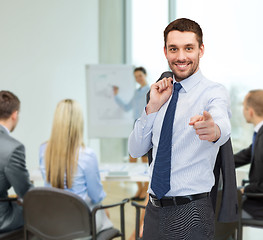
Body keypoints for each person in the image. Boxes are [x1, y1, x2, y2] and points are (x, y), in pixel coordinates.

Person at [128, 18, 232, 239]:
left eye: (189, 48)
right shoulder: (159, 94)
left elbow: (222, 121)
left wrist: (214, 130)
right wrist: (152, 106)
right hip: (154, 209)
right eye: (174, 49)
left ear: (200, 50)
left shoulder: (213, 92)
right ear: (165, 51)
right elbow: (135, 149)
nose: (181, 57)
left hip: (192, 211)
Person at [39, 99, 113, 234]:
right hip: (81, 224)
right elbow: (96, 196)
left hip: (52, 221)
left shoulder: (44, 150)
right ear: (79, 123)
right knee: (105, 214)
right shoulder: (87, 155)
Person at [113, 67, 150, 201]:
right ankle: (139, 188)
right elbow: (127, 107)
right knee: (132, 160)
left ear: (145, 75)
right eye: (136, 76)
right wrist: (116, 95)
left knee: (146, 161)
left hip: (146, 127)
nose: (138, 78)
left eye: (140, 75)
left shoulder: (151, 90)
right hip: (136, 126)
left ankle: (144, 191)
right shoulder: (136, 92)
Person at [0, 90, 33, 233]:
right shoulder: (13, 148)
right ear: (14, 114)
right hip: (2, 219)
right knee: (42, 215)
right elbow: (26, 191)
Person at [234, 89, 263, 219]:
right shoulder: (259, 134)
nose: (243, 111)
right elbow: (246, 155)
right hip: (255, 198)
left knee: (221, 212)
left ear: (250, 111)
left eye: (244, 107)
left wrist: (245, 189)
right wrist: (218, 162)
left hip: (258, 203)